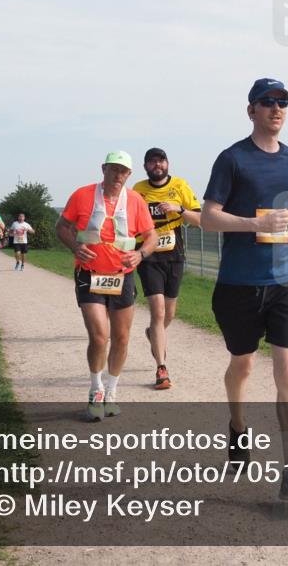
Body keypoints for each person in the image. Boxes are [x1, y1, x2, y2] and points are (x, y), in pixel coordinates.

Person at [201, 78, 288, 500]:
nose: (277, 108)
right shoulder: (231, 159)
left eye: (284, 102)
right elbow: (209, 217)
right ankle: (237, 426)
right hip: (239, 282)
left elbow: (285, 200)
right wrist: (255, 224)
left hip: (285, 278)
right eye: (268, 102)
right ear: (250, 109)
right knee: (243, 366)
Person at [56, 151, 158, 421]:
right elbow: (62, 227)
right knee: (100, 336)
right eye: (113, 169)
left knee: (122, 338)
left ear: (129, 175)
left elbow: (152, 236)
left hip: (122, 276)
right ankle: (96, 390)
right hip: (89, 274)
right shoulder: (82, 195)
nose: (117, 175)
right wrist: (76, 247)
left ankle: (112, 390)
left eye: (123, 171)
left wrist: (141, 254)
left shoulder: (135, 200)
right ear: (103, 169)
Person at [132, 148, 202, 389]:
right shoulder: (137, 191)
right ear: (145, 167)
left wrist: (179, 209)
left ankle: (154, 334)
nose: (157, 165)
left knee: (169, 314)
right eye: (152, 162)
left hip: (174, 255)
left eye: (161, 161)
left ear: (167, 163)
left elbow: (200, 219)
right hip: (149, 256)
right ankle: (161, 368)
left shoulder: (180, 186)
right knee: (158, 312)